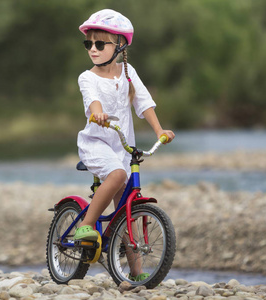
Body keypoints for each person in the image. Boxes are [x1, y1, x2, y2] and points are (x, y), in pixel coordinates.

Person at [73, 9, 175, 280]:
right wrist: (98, 113)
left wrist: (159, 130)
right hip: (95, 143)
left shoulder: (128, 73)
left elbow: (144, 103)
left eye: (99, 43)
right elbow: (92, 100)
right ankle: (86, 225)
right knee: (117, 175)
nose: (92, 49)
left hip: (122, 147)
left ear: (119, 46)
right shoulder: (88, 77)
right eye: (89, 44)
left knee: (126, 208)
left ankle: (136, 273)